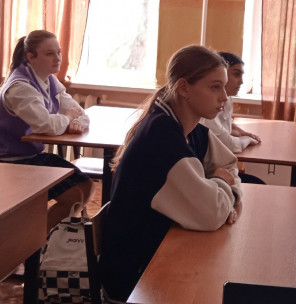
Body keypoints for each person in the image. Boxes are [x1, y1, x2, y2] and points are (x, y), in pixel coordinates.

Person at [99, 45, 243, 302]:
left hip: (161, 253)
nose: (224, 97)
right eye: (214, 87)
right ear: (184, 88)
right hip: (135, 277)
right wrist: (222, 187)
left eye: (223, 87)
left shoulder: (191, 128)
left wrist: (225, 196)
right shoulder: (161, 139)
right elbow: (213, 213)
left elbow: (230, 165)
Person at [0, 30, 95, 231]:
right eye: (50, 54)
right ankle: (35, 240)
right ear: (31, 57)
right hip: (11, 162)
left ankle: (41, 238)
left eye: (59, 52)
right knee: (75, 195)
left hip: (32, 156)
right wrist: (67, 118)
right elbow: (46, 125)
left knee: (85, 186)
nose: (57, 58)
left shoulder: (49, 79)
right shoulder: (19, 87)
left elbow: (79, 112)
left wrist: (76, 121)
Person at [200, 51, 261, 153]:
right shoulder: (206, 106)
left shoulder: (227, 99)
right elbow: (229, 145)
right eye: (236, 74)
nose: (241, 82)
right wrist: (247, 139)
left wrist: (241, 132)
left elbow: (227, 123)